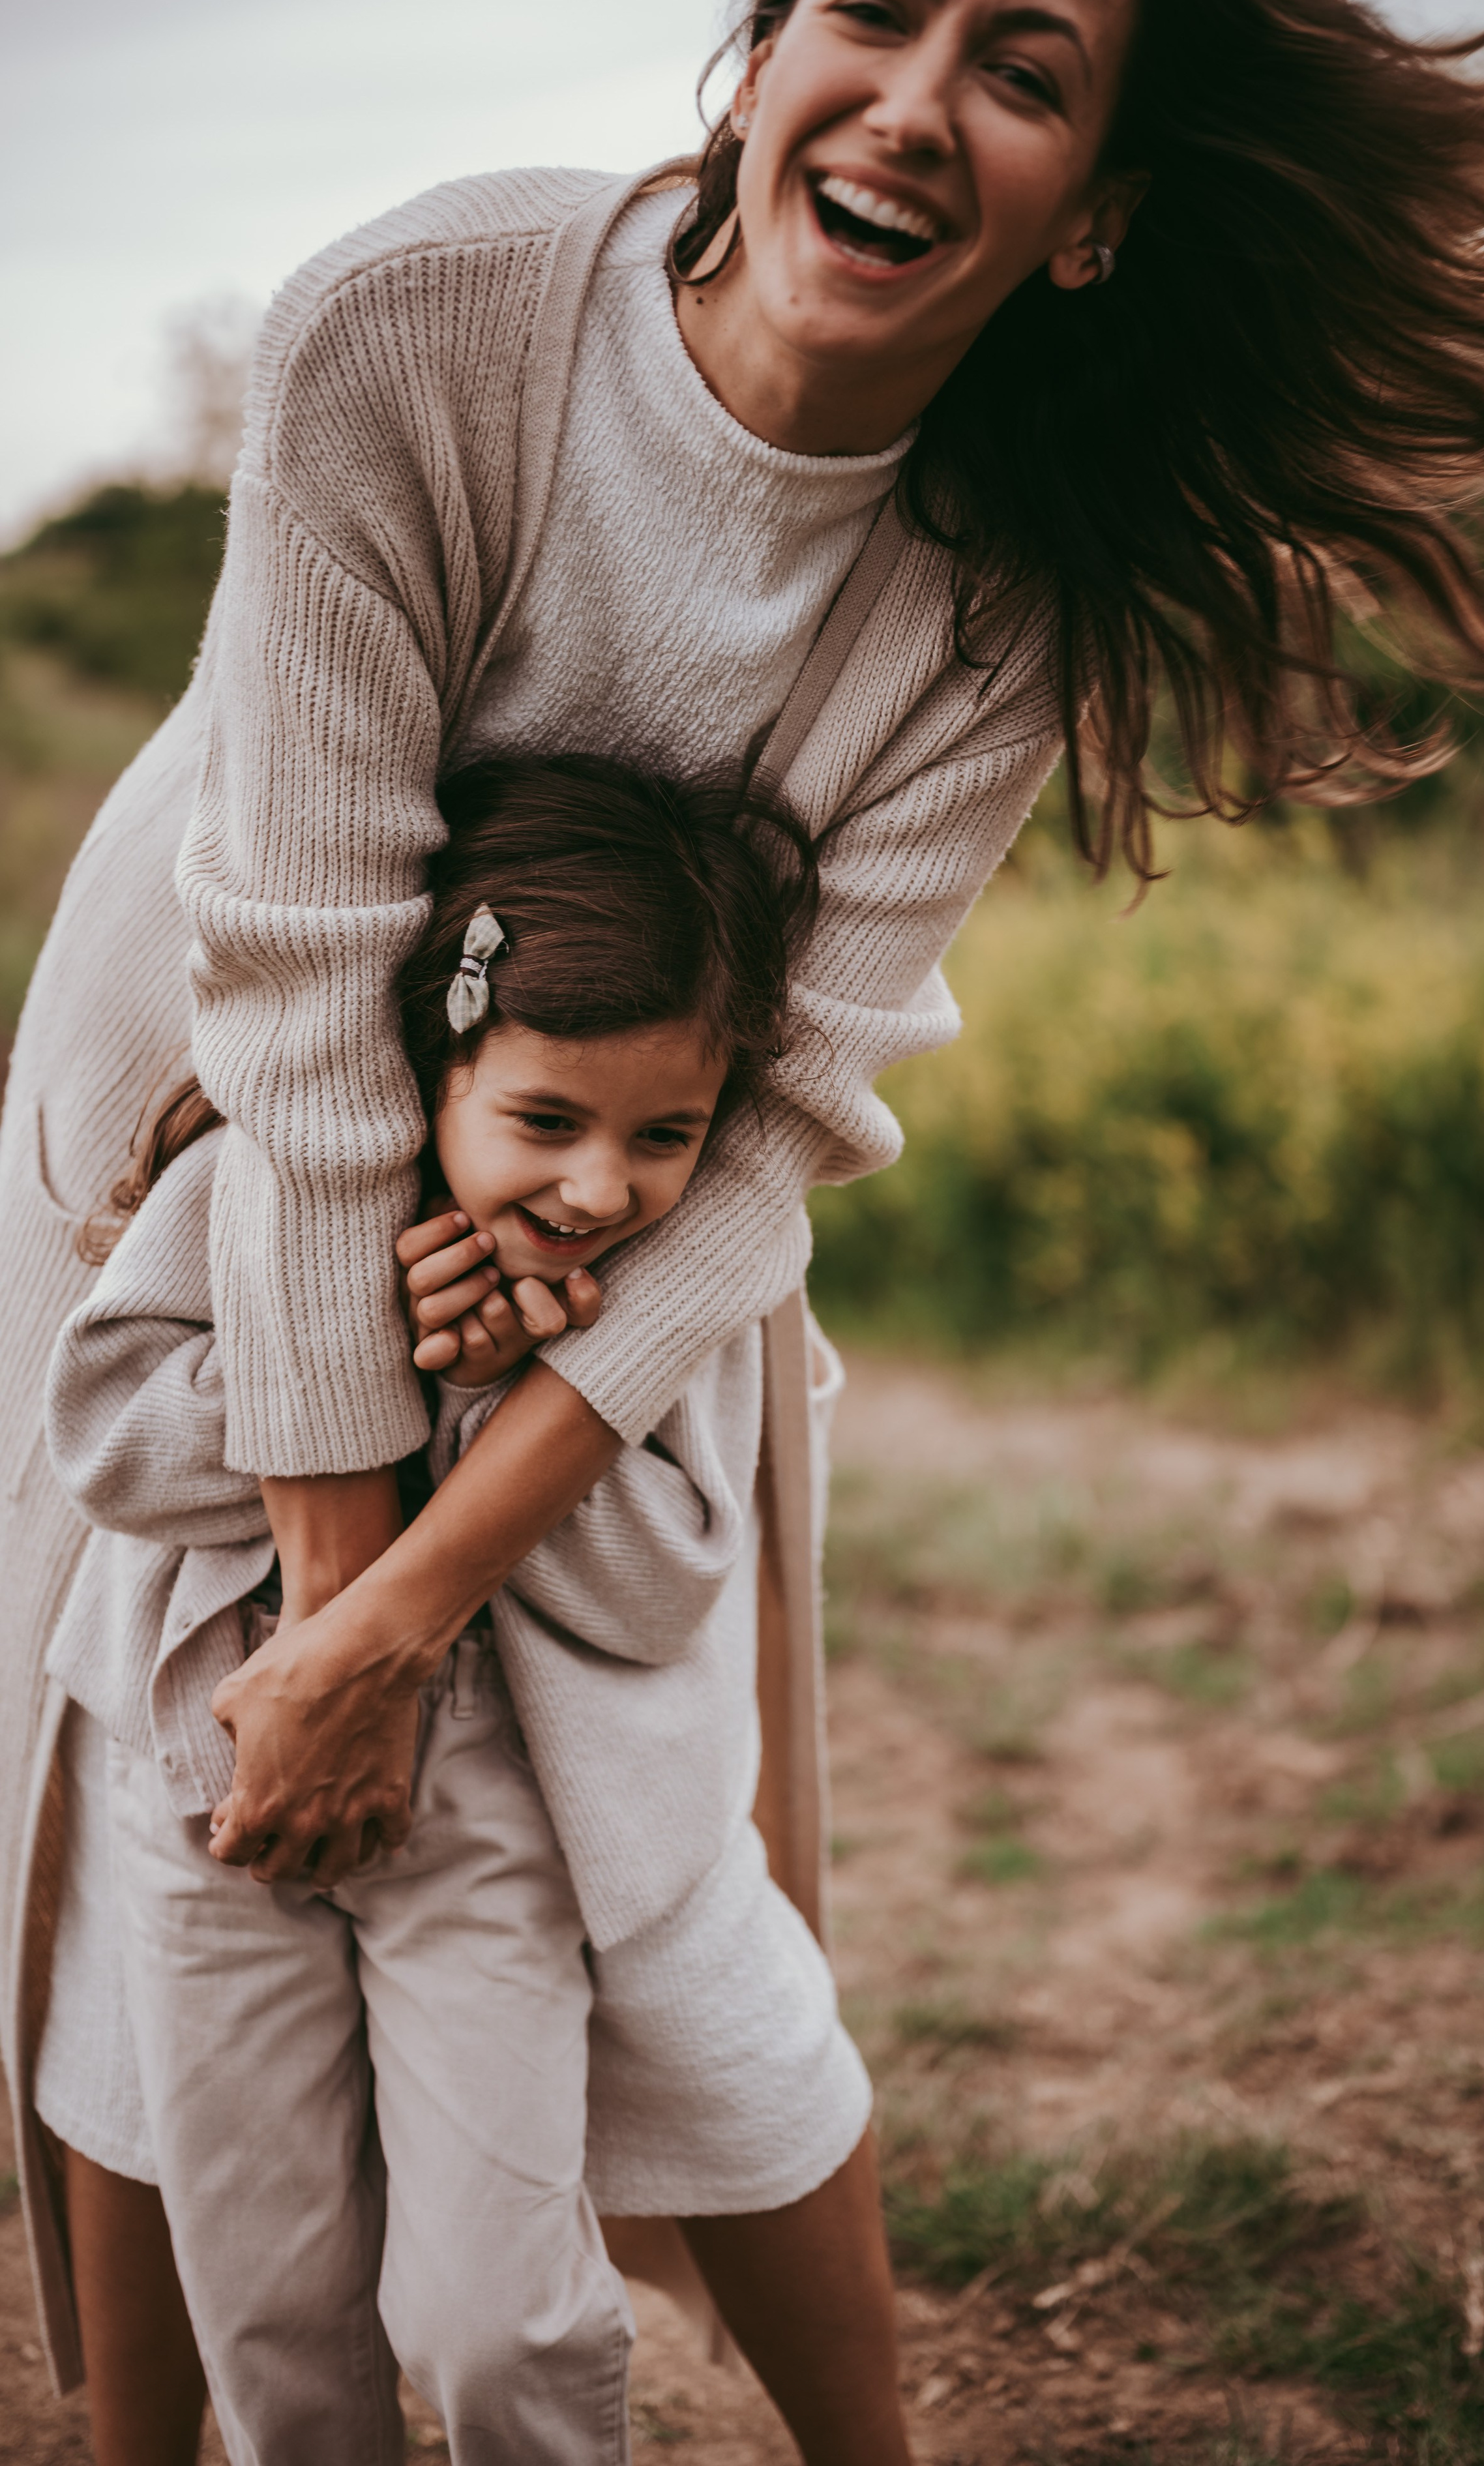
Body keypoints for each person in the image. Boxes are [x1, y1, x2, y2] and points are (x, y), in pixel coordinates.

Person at [2, 0, 1484, 2458]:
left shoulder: (1000, 593)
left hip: (636, 1218)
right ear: (763, 54)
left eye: (1024, 69)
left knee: (667, 1880)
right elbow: (309, 998)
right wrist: (325, 1621)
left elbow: (772, 1132)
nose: (913, 104)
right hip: (209, 1117)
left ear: (1090, 215)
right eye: (877, 9)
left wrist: (408, 1626)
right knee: (181, 1828)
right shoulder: (411, 325)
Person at [40, 757, 883, 2463]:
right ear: (438, 1060)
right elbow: (109, 1445)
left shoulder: (659, 1296)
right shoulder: (251, 1194)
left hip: (490, 1806)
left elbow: (655, 1591)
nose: (600, 1191)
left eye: (664, 1136)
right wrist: (363, 1354)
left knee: (500, 2324)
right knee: (276, 2319)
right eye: (547, 1121)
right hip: (207, 1801)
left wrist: (501, 1397)